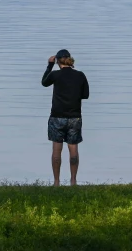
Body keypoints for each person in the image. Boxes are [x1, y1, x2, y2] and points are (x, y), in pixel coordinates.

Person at [41, 49, 89, 186]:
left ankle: (56, 183)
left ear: (57, 61)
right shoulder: (80, 75)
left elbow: (44, 82)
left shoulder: (55, 75)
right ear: (69, 59)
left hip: (57, 116)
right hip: (75, 117)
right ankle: (73, 181)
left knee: (57, 150)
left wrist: (49, 66)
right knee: (73, 150)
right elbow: (85, 95)